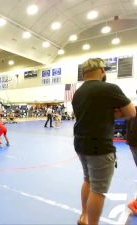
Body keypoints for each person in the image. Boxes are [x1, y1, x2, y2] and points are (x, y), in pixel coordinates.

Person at [72, 58, 136, 225]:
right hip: (99, 146)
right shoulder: (109, 88)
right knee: (98, 190)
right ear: (102, 71)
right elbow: (131, 112)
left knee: (87, 180)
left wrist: (110, 113)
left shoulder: (78, 93)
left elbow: (87, 115)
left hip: (80, 143)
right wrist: (117, 113)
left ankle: (84, 217)